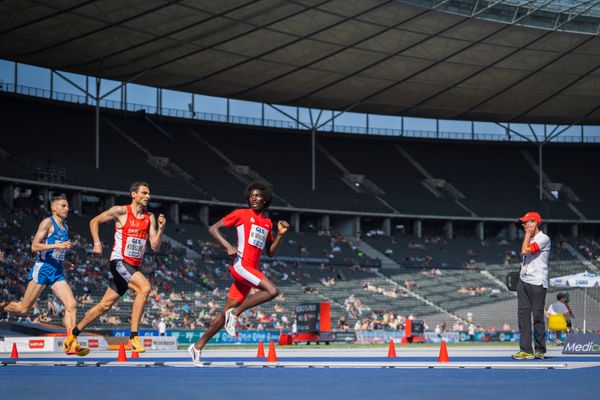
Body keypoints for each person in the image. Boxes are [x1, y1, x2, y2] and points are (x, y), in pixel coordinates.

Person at [188, 182, 289, 366]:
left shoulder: (267, 223)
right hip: (241, 266)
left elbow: (270, 252)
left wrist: (281, 235)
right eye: (251, 196)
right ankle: (235, 314)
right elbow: (213, 228)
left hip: (250, 272)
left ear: (265, 199)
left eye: (258, 196)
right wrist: (227, 246)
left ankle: (197, 346)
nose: (255, 199)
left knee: (223, 313)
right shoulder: (241, 214)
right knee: (272, 291)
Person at [63, 182, 166, 353]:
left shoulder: (150, 217)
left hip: (132, 267)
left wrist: (161, 229)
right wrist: (97, 243)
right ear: (134, 194)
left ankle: (72, 336)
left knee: (104, 306)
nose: (148, 196)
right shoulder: (121, 211)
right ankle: (134, 337)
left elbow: (154, 245)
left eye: (149, 194)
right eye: (144, 193)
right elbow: (94, 221)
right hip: (119, 262)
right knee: (145, 288)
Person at [0, 194, 89, 356]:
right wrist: (58, 244)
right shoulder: (48, 222)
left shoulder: (65, 227)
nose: (67, 208)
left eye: (68, 206)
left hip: (56, 270)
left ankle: (71, 342)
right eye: (63, 206)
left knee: (72, 305)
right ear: (53, 208)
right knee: (23, 309)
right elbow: (34, 246)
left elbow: (56, 252)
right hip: (43, 269)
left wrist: (64, 263)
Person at [512, 211, 551, 360]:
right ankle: (526, 349)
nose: (523, 225)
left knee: (537, 315)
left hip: (537, 281)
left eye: (526, 222)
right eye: (523, 222)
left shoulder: (543, 238)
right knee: (523, 316)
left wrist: (527, 235)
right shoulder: (532, 237)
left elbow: (524, 251)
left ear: (535, 223)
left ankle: (540, 349)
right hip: (524, 281)